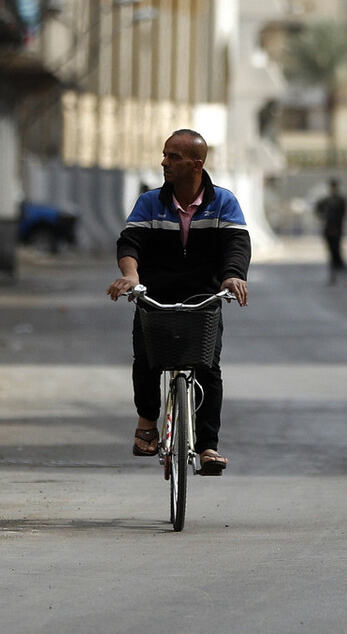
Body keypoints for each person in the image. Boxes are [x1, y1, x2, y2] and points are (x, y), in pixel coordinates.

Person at [106, 129, 250, 475]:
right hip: (155, 295)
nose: (164, 162)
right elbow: (130, 243)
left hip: (204, 296)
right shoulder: (149, 202)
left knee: (209, 369)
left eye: (173, 157)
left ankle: (208, 447)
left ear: (196, 164)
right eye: (164, 155)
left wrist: (233, 275)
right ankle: (146, 423)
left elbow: (237, 244)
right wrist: (132, 277)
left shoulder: (224, 203)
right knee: (146, 359)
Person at [315, 179, 347, 284]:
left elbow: (343, 215)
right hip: (329, 228)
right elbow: (318, 208)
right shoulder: (327, 200)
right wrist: (323, 217)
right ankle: (334, 271)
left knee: (336, 250)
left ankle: (337, 269)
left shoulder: (340, 200)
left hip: (336, 228)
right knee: (332, 251)